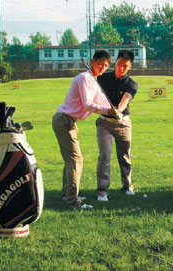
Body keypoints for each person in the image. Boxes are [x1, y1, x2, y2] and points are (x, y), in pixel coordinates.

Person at [52, 50, 118, 208]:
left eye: (106, 65)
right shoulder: (84, 78)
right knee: (75, 161)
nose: (102, 67)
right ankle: (73, 201)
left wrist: (114, 110)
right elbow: (88, 104)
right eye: (100, 64)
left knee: (71, 160)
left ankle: (66, 194)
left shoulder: (93, 81)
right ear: (93, 61)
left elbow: (100, 99)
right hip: (64, 120)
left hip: (69, 121)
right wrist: (108, 111)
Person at [95, 50, 138, 202]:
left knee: (125, 156)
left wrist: (118, 110)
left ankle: (127, 186)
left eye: (125, 66)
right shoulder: (102, 78)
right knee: (105, 156)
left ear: (130, 67)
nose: (121, 68)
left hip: (123, 123)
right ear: (116, 62)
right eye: (119, 64)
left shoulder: (132, 84)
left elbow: (126, 99)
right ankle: (102, 191)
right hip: (104, 123)